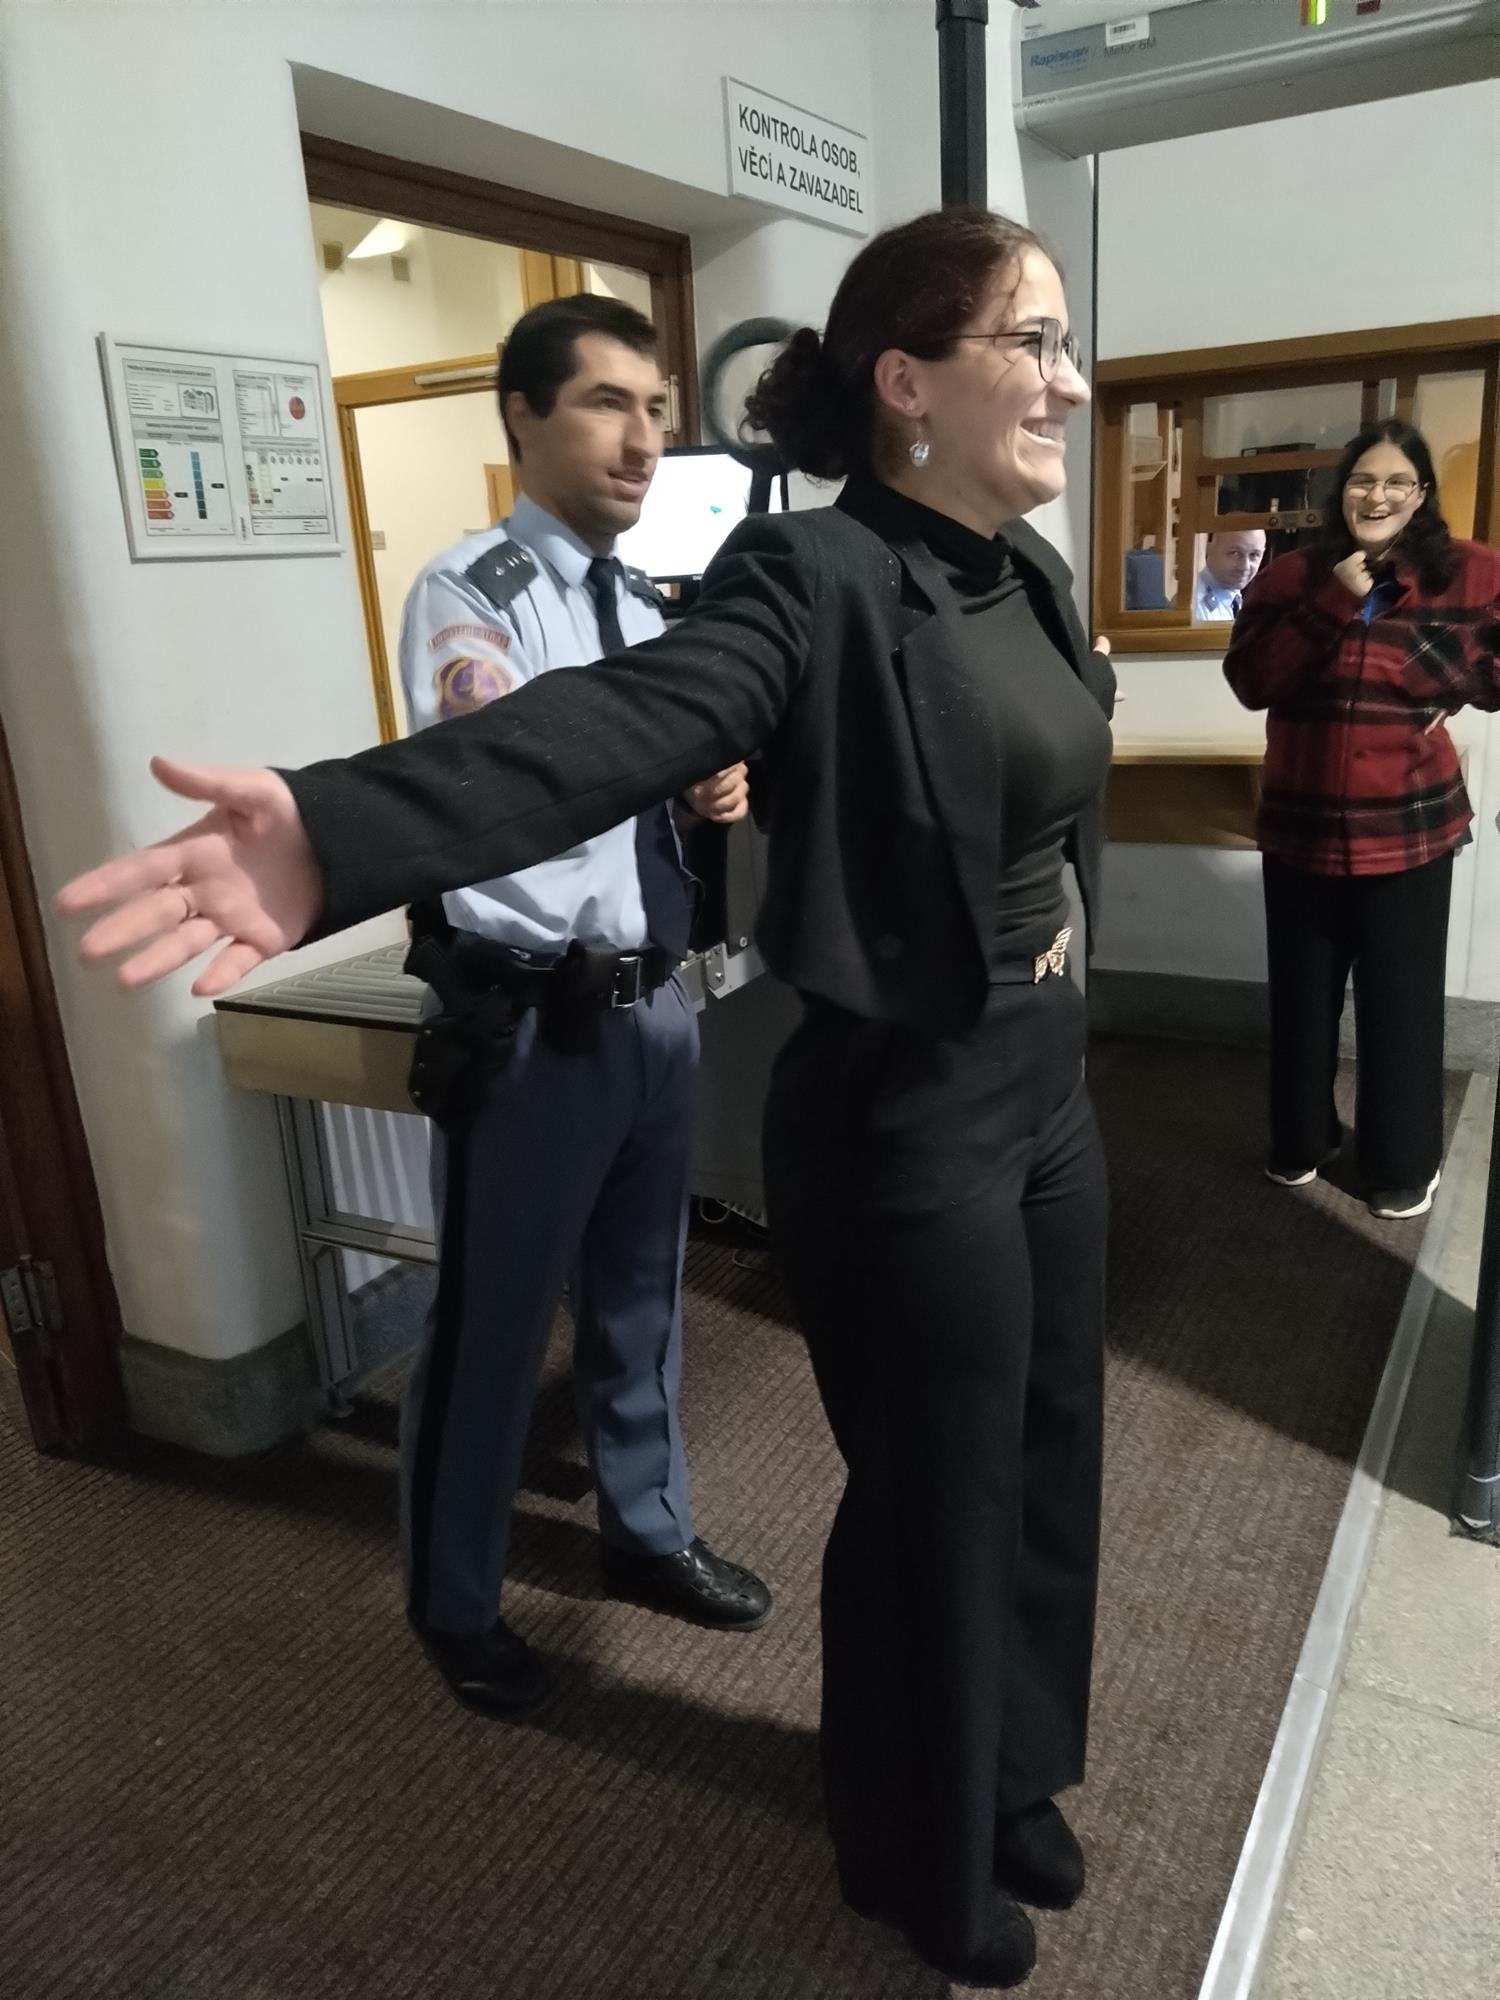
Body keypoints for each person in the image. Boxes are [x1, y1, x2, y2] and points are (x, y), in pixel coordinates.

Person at [59, 208, 1116, 1993]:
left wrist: (1059, 945)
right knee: (936, 1489)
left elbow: (1033, 801)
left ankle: (1013, 1769)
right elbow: (620, 720)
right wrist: (342, 832)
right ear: (908, 382)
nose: (1069, 384)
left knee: (1050, 1447)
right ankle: (915, 1839)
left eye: (1066, 345)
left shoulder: (1029, 572)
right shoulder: (809, 573)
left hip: (1047, 1087)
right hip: (905, 1113)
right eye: (1036, 344)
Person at [390, 293, 770, 1717]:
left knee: (641, 1298)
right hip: (537, 1017)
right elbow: (508, 798)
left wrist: (706, 781)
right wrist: (649, 763)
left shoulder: (651, 610)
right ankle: (455, 1598)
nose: (644, 439)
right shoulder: (474, 596)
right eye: (609, 402)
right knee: (494, 1325)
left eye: (658, 408)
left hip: (651, 1000)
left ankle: (647, 1530)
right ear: (523, 416)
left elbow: (641, 798)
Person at [1224, 419, 1500, 1221]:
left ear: (1421, 495)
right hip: (1300, 824)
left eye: (1396, 482)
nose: (1377, 496)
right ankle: (1299, 1142)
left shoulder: (1469, 571)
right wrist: (1333, 601)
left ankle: (1400, 1165)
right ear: (1339, 491)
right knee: (1302, 998)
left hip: (1410, 828)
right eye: (1362, 480)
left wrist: (1459, 684)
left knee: (1401, 1005)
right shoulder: (1292, 575)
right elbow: (1252, 680)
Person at [1193, 528, 1265, 621]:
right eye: (1235, 553)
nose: (1245, 567)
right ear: (1209, 549)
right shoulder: (1197, 608)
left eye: (1254, 555)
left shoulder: (1234, 598)